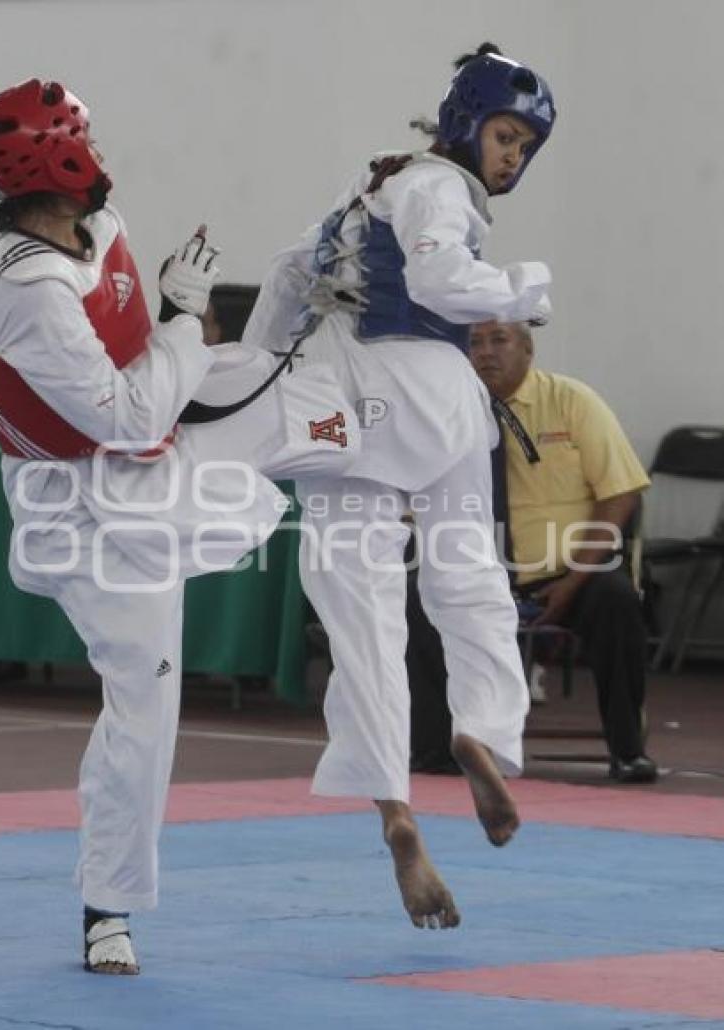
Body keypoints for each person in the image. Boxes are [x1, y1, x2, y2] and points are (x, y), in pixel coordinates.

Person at [0, 78, 359, 975]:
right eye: (87, 142)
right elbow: (124, 416)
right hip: (83, 513)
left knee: (318, 402)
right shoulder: (27, 292)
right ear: (59, 161)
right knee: (149, 697)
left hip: (150, 442)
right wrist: (185, 320)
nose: (103, 158)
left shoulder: (98, 230)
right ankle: (107, 907)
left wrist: (181, 327)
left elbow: (146, 378)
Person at [244, 42, 556, 930]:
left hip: (337, 399)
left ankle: (397, 812)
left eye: (525, 147)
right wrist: (525, 291)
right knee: (466, 576)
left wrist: (261, 371)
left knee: (361, 613)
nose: (512, 156)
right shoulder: (440, 187)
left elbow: (289, 272)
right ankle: (483, 733)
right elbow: (439, 278)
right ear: (464, 122)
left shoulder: (369, 182)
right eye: (505, 134)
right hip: (426, 384)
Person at [469, 319, 657, 782]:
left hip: (568, 571)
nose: (486, 352)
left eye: (499, 340)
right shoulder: (452, 410)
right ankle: (433, 752)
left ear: (528, 349)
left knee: (615, 600)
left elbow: (621, 492)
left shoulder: (571, 400)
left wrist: (573, 582)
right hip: (478, 571)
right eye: (474, 342)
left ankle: (627, 750)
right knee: (413, 600)